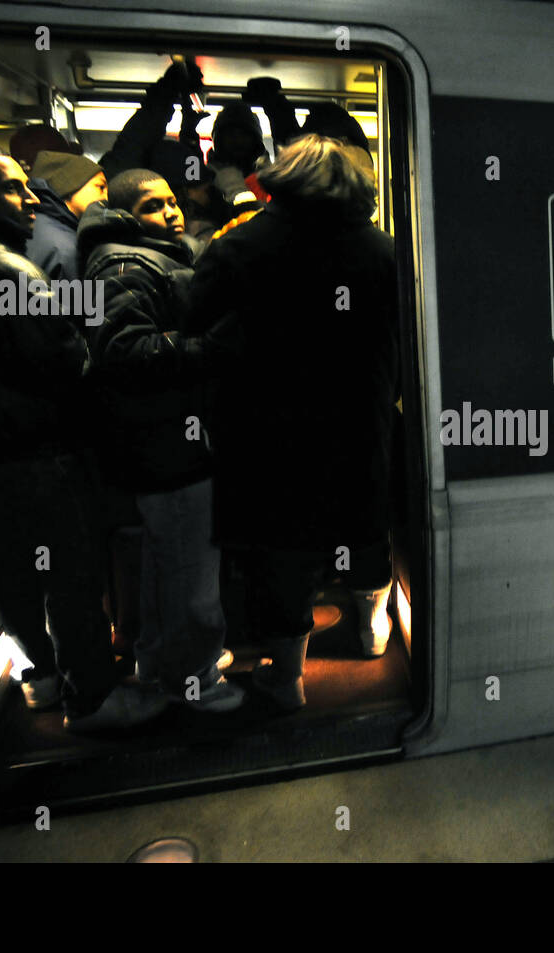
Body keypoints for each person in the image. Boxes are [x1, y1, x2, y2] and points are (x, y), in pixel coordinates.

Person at [0, 145, 168, 732]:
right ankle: (93, 700)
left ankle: (45, 678)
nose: (30, 198)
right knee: (71, 578)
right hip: (39, 451)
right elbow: (68, 365)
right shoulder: (3, 269)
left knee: (21, 577)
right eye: (11, 188)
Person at [188, 134, 400, 703]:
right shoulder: (382, 249)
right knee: (363, 523)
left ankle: (287, 676)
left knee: (282, 546)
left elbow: (193, 316)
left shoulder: (243, 245)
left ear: (280, 180)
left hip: (267, 424)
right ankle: (373, 630)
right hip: (360, 414)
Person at [77, 169, 243, 712]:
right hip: (167, 442)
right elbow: (125, 352)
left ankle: (162, 662)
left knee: (167, 566)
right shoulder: (123, 263)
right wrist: (211, 345)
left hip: (169, 436)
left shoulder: (146, 254)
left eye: (171, 201)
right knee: (190, 572)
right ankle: (194, 683)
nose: (171, 212)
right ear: (126, 213)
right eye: (153, 205)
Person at [24, 150, 108, 280]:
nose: (106, 197)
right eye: (101, 187)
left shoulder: (33, 222)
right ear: (69, 187)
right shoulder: (66, 248)